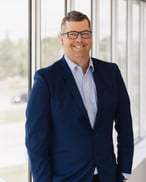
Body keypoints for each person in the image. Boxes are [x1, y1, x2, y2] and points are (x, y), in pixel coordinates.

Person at [25, 10, 134, 182]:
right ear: (62, 39)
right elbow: (36, 141)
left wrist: (124, 171)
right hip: (68, 178)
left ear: (90, 37)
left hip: (108, 176)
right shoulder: (46, 80)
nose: (79, 39)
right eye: (72, 34)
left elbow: (125, 125)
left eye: (84, 33)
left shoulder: (111, 72)